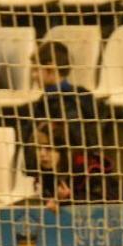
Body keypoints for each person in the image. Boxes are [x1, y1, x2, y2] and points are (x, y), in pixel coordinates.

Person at [22, 41, 98, 175]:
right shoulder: (76, 96)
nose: (33, 76)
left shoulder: (67, 102)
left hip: (70, 172)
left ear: (51, 67)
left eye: (35, 69)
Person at [34, 121, 123, 212]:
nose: (42, 154)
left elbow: (109, 201)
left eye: (49, 148)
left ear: (64, 149)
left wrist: (69, 199)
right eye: (38, 148)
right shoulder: (45, 176)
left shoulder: (90, 171)